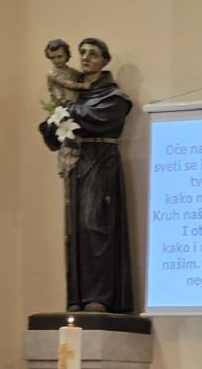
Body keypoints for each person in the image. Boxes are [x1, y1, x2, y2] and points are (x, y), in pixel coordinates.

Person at [39, 37, 134, 314]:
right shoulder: (72, 94)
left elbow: (98, 118)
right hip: (77, 164)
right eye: (82, 53)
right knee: (75, 230)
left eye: (92, 54)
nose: (85, 58)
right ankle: (77, 297)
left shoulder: (114, 97)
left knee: (96, 225)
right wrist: (59, 116)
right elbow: (52, 131)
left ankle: (99, 296)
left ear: (105, 60)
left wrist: (66, 113)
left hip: (101, 163)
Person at [44, 39, 87, 179]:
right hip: (63, 108)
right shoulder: (53, 72)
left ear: (67, 55)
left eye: (60, 56)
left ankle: (75, 165)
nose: (56, 60)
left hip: (75, 108)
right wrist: (84, 85)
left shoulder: (72, 72)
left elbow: (80, 76)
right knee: (67, 140)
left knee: (76, 139)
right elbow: (67, 83)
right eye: (52, 58)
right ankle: (66, 167)